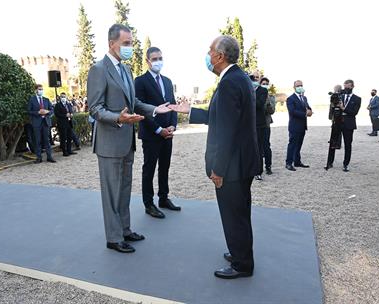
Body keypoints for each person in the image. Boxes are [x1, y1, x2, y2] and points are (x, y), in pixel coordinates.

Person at [169, 35, 260, 279]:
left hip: (232, 166)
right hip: (241, 161)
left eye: (210, 51)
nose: (207, 55)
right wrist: (191, 111)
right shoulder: (237, 77)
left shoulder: (230, 82)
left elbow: (227, 131)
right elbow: (221, 116)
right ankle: (240, 253)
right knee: (239, 211)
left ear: (220, 56)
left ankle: (242, 265)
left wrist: (218, 169)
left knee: (234, 214)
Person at [87, 24, 171, 254]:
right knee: (111, 192)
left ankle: (124, 230)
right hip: (109, 143)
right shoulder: (98, 69)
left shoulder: (125, 70)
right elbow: (95, 109)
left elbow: (134, 104)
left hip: (126, 142)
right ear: (111, 43)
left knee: (124, 189)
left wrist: (156, 110)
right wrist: (119, 118)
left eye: (131, 43)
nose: (130, 48)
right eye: (126, 44)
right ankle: (113, 238)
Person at [135, 46, 179, 219]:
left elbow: (173, 105)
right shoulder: (140, 81)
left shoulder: (167, 81)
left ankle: (163, 198)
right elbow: (140, 109)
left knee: (165, 167)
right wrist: (158, 129)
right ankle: (149, 204)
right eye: (154, 59)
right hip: (151, 134)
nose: (158, 61)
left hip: (168, 133)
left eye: (160, 58)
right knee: (149, 169)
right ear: (147, 61)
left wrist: (173, 126)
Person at [326, 80, 361, 172]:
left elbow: (354, 112)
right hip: (337, 122)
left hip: (349, 124)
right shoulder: (339, 96)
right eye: (345, 86)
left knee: (348, 144)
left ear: (352, 86)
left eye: (348, 87)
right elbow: (333, 108)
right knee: (333, 143)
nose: (346, 88)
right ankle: (330, 162)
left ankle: (346, 164)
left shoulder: (357, 99)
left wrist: (343, 108)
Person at [285, 80, 312, 171]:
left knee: (299, 144)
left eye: (301, 85)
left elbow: (308, 107)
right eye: (298, 86)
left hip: (302, 126)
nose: (300, 87)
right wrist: (305, 114)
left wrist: (310, 111)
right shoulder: (290, 99)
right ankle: (288, 163)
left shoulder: (304, 98)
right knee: (292, 144)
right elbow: (292, 112)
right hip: (294, 125)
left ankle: (297, 161)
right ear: (294, 87)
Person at [27, 84, 56, 164]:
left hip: (46, 122)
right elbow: (29, 111)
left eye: (42, 89)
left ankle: (49, 157)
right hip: (37, 123)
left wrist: (48, 112)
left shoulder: (46, 99)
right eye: (39, 89)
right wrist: (37, 112)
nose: (41, 91)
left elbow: (52, 109)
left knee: (47, 140)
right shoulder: (32, 100)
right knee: (38, 140)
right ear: (36, 90)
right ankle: (39, 158)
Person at [250, 71, 268, 181]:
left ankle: (258, 171)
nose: (255, 79)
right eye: (253, 77)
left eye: (257, 78)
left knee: (258, 149)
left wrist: (249, 96)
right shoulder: (245, 89)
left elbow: (260, 104)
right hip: (247, 123)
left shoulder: (263, 91)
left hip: (259, 124)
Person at [260, 77, 276, 175]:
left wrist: (266, 100)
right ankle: (257, 168)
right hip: (256, 125)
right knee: (257, 147)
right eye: (263, 83)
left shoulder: (271, 97)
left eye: (266, 83)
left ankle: (268, 166)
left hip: (265, 125)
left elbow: (272, 111)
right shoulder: (255, 94)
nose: (265, 85)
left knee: (266, 146)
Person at [54, 92, 76, 157]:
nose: (63, 98)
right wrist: (65, 115)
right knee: (63, 138)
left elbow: (71, 110)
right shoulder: (57, 105)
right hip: (62, 123)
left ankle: (69, 150)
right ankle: (64, 151)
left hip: (69, 123)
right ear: (60, 98)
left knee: (69, 137)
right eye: (62, 97)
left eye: (64, 97)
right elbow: (57, 114)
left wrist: (71, 114)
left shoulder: (68, 104)